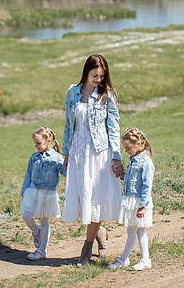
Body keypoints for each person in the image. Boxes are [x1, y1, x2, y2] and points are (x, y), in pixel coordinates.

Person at [62, 54, 124, 265]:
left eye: (101, 76)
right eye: (94, 75)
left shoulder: (107, 95)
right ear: (86, 72)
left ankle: (86, 250)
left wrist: (116, 157)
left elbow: (113, 128)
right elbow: (68, 126)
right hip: (78, 153)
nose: (98, 79)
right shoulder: (72, 92)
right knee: (83, 199)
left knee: (94, 200)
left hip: (99, 154)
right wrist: (66, 153)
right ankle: (99, 233)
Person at [108, 128, 154, 271]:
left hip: (138, 202)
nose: (126, 151)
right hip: (131, 200)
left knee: (137, 231)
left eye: (128, 148)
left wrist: (142, 206)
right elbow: (132, 179)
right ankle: (139, 259)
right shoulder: (133, 160)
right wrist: (122, 176)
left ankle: (126, 259)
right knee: (136, 231)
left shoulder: (146, 162)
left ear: (139, 144)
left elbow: (147, 185)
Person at [20, 126, 66, 261]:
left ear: (49, 140)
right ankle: (37, 232)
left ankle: (42, 250)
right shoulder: (33, 157)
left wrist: (71, 164)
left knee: (44, 221)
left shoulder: (57, 158)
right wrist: (24, 191)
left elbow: (65, 173)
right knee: (26, 215)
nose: (36, 146)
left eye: (38, 143)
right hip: (32, 191)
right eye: (35, 143)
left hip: (47, 193)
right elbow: (27, 174)